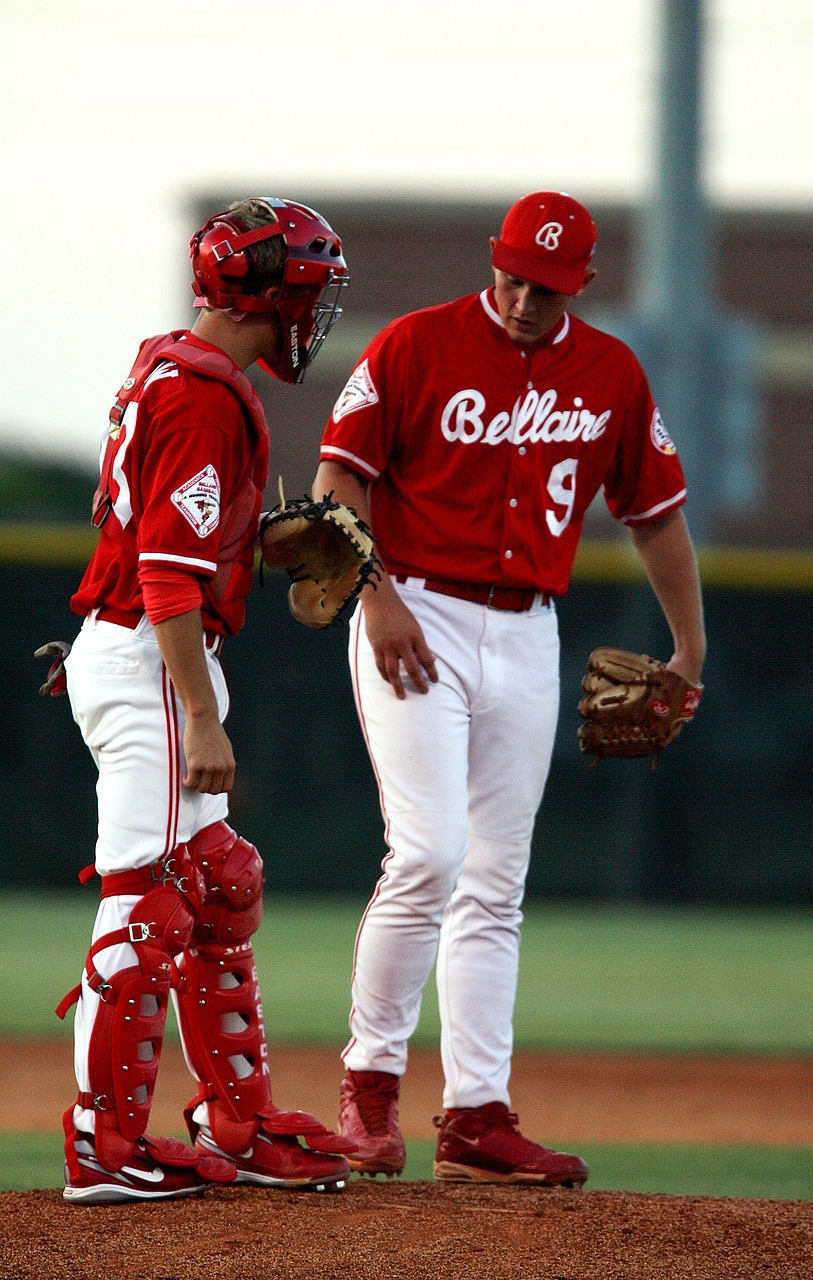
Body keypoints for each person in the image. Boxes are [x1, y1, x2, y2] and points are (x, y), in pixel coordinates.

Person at [312, 191, 706, 1186]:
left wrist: (688, 648)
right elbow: (338, 480)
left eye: (549, 285)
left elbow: (654, 512)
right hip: (416, 617)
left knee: (495, 878)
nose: (527, 299)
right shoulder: (413, 345)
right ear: (494, 260)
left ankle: (477, 1111)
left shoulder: (609, 372)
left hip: (529, 627)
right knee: (430, 852)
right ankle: (367, 1092)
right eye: (514, 276)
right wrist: (375, 594)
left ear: (581, 283)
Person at [56, 196, 357, 1203]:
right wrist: (204, 709)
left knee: (217, 882)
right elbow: (166, 571)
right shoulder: (199, 394)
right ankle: (105, 1141)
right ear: (270, 292)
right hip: (155, 652)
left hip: (144, 645)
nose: (317, 308)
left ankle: (234, 1117)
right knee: (147, 902)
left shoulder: (173, 366)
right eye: (310, 286)